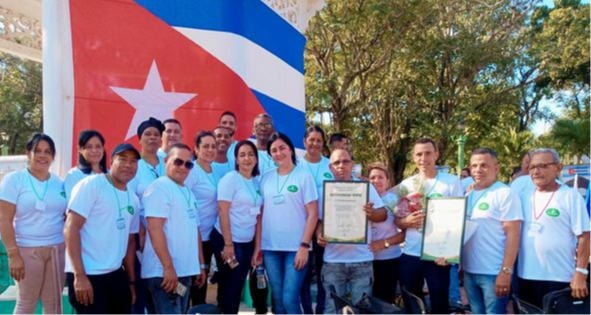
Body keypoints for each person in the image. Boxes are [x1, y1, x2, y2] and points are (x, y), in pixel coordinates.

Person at [64, 143, 141, 314]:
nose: (128, 165)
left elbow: (130, 242)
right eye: (122, 159)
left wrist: (131, 282)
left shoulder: (133, 200)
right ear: (112, 161)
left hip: (116, 275)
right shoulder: (92, 184)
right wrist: (79, 276)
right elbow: (71, 228)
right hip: (88, 274)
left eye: (133, 161)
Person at [0, 133, 66, 315]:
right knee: (26, 304)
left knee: (54, 304)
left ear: (53, 156)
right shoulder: (14, 180)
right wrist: (13, 255)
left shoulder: (59, 183)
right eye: (37, 151)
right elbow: (4, 219)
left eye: (48, 151)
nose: (43, 156)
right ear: (28, 153)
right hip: (27, 251)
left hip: (56, 250)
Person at [315, 152, 388, 315]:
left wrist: (371, 213)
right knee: (332, 310)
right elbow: (319, 221)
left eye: (345, 162)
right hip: (333, 260)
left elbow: (382, 214)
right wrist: (319, 234)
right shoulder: (323, 191)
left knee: (362, 310)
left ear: (352, 164)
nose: (341, 166)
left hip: (361, 259)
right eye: (337, 163)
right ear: (330, 167)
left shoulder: (366, 188)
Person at [396, 138, 463, 315]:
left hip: (438, 254)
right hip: (411, 252)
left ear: (436, 155)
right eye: (419, 154)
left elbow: (459, 218)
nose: (423, 158)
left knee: (439, 301)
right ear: (413, 157)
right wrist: (407, 222)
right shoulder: (406, 184)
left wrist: (449, 252)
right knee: (411, 300)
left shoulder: (451, 182)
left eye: (427, 153)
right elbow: (397, 220)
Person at [517, 148, 591, 308]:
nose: (536, 171)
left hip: (559, 278)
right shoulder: (523, 196)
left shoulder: (571, 196)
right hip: (525, 276)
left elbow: (585, 236)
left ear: (558, 168)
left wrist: (581, 273)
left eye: (543, 166)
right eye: (532, 167)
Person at [142, 143, 207, 314]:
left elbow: (195, 230)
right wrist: (168, 268)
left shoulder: (188, 191)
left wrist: (200, 264)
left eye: (188, 164)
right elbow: (154, 229)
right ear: (166, 161)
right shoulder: (159, 188)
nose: (183, 167)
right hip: (164, 274)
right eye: (178, 162)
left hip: (183, 273)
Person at [260, 132, 318, 315]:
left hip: (296, 248)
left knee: (290, 298)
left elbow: (313, 214)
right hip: (270, 248)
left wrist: (304, 246)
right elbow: (260, 214)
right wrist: (258, 248)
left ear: (291, 150)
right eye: (273, 150)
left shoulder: (304, 176)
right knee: (277, 300)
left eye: (282, 148)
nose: (278, 153)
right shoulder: (265, 178)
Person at [462, 148, 522, 315]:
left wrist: (505, 272)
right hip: (469, 271)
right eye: (474, 166)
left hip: (493, 273)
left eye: (484, 165)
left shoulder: (505, 193)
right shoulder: (468, 195)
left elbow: (513, 235)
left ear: (497, 168)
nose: (478, 170)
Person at [211, 140, 264, 315]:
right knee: (230, 285)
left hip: (247, 242)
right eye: (242, 155)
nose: (247, 158)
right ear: (236, 159)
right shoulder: (230, 179)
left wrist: (257, 248)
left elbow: (257, 217)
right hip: (228, 241)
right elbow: (223, 211)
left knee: (239, 283)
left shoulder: (256, 182)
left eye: (250, 154)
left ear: (256, 158)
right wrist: (228, 245)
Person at [131, 117, 166, 315]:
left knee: (161, 286)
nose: (152, 138)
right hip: (141, 236)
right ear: (139, 139)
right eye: (148, 134)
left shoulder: (167, 161)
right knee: (141, 286)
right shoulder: (134, 164)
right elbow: (130, 201)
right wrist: (141, 230)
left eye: (156, 134)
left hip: (166, 234)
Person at [298, 125, 333, 315]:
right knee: (303, 275)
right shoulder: (295, 165)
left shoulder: (330, 165)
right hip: (301, 229)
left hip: (325, 230)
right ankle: (306, 311)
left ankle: (321, 310)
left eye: (319, 140)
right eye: (311, 139)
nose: (315, 144)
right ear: (304, 142)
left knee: (323, 275)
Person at [186, 131, 219, 305]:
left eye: (213, 146)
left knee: (202, 283)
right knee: (189, 285)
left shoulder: (215, 170)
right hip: (193, 238)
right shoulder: (192, 171)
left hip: (210, 237)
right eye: (205, 146)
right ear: (196, 149)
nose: (210, 149)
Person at [367, 162, 405, 303]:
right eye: (372, 178)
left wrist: (385, 243)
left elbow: (406, 233)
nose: (376, 181)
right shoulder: (362, 199)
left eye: (380, 177)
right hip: (365, 260)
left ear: (387, 181)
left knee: (385, 303)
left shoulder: (395, 201)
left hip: (389, 260)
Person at [64, 130, 108, 201]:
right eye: (89, 147)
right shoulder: (74, 175)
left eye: (98, 146)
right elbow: (73, 204)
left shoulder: (111, 174)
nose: (94, 150)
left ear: (103, 149)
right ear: (80, 149)